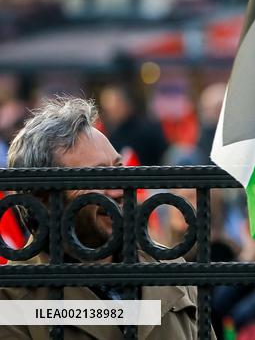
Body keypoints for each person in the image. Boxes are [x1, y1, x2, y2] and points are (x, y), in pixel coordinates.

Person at [0, 96, 209, 339]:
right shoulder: (12, 297)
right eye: (97, 176)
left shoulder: (171, 271)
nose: (118, 190)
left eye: (119, 169)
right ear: (44, 198)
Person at [98, 83, 168, 166]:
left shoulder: (148, 130)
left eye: (114, 107)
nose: (109, 113)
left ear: (126, 104)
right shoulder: (110, 135)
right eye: (107, 109)